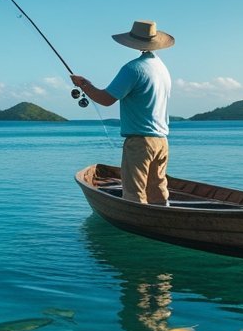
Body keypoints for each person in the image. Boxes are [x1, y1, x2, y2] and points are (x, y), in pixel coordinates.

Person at [71, 20, 174, 205]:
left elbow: (106, 99)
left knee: (134, 195)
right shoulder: (162, 69)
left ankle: (139, 227)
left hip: (140, 142)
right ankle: (163, 223)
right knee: (158, 191)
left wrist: (84, 84)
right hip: (162, 141)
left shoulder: (133, 68)